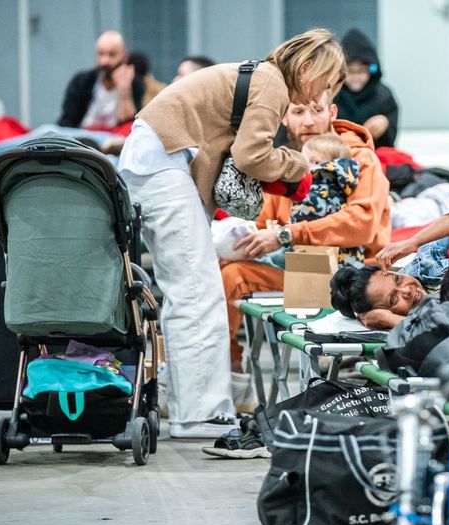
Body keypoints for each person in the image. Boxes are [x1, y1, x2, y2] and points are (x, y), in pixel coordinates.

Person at [117, 28, 344, 438]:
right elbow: (250, 154)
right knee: (198, 294)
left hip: (154, 164)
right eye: (323, 84)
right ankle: (199, 415)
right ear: (307, 67)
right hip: (163, 168)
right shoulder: (272, 83)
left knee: (189, 291)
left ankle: (193, 406)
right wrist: (296, 168)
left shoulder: (258, 75)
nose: (320, 98)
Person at [221, 86, 390, 371]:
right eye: (298, 111)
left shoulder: (361, 159)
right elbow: (264, 225)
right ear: (284, 117)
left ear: (332, 112)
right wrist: (239, 244)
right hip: (300, 269)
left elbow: (361, 224)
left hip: (356, 273)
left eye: (317, 110)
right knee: (228, 271)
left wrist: (287, 235)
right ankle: (228, 370)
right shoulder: (283, 163)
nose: (309, 121)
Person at [328, 197, 449, 329]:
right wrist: (391, 320)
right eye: (393, 299)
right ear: (381, 313)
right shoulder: (413, 325)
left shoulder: (429, 261)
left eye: (397, 280)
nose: (406, 290)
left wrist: (414, 241)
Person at [255, 133, 361, 270]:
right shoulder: (340, 186)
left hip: (323, 263)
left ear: (333, 164)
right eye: (304, 161)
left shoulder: (320, 185)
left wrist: (280, 232)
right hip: (345, 261)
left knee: (260, 260)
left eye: (315, 162)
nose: (307, 167)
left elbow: (305, 216)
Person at [58, 31, 144, 130]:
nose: (105, 61)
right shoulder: (81, 81)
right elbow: (67, 120)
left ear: (124, 57)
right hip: (81, 137)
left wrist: (125, 91)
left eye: (112, 55)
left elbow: (130, 125)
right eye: (101, 54)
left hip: (114, 140)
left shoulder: (135, 83)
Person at [334, 29, 398, 149]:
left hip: (375, 154)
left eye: (362, 70)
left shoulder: (384, 95)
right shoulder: (331, 94)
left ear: (371, 70)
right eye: (350, 71)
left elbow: (391, 141)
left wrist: (385, 123)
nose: (356, 77)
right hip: (338, 154)